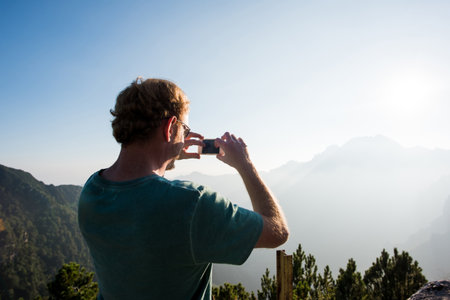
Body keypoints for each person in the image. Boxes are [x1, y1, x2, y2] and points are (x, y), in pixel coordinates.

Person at [78, 77, 289, 300]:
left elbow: (138, 192)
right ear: (170, 127)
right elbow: (277, 231)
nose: (186, 137)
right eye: (185, 129)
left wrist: (167, 154)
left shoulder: (92, 190)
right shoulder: (192, 203)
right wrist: (245, 165)